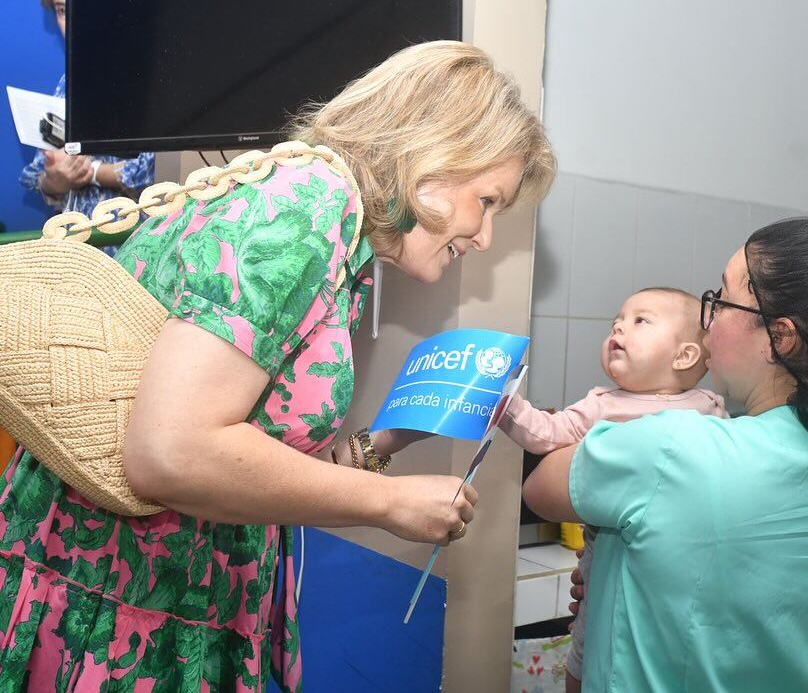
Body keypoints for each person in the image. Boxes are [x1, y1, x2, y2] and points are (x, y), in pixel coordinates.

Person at [0, 40, 554, 691]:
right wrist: (389, 501)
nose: (484, 237)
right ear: (432, 155)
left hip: (166, 594)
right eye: (487, 201)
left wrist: (392, 439)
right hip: (116, 611)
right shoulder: (303, 212)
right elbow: (169, 452)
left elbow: (255, 455)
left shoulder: (333, 229)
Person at [524, 218, 808, 692]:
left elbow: (540, 487)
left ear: (780, 337)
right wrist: (614, 576)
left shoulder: (673, 448)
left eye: (721, 299)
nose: (706, 320)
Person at [500, 287, 728, 691]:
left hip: (678, 570)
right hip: (606, 562)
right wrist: (505, 403)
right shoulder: (601, 404)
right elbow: (545, 434)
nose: (619, 328)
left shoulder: (711, 407)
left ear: (685, 356)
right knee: (587, 648)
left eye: (640, 320)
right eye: (616, 322)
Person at [19, 0, 155, 254]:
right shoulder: (68, 81)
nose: (74, 24)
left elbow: (153, 170)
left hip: (131, 250)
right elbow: (40, 171)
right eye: (62, 10)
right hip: (75, 252)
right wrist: (55, 180)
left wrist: (89, 172)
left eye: (85, 8)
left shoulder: (147, 78)